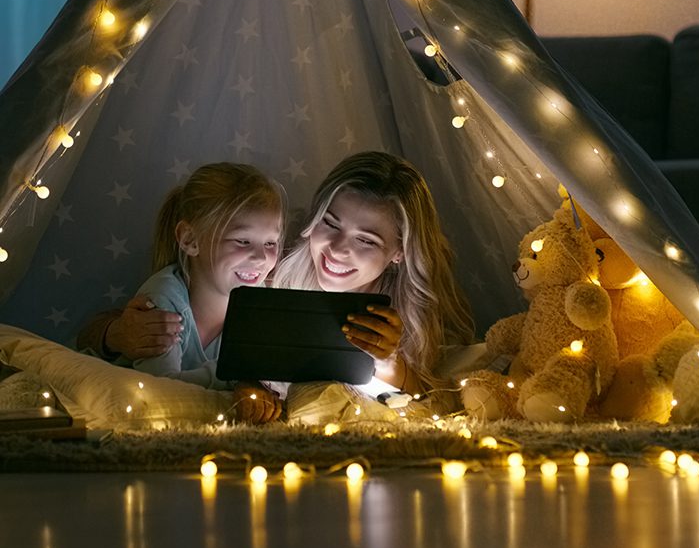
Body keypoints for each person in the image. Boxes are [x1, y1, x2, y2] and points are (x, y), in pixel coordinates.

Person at [81, 162, 287, 423]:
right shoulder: (163, 301)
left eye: (270, 243)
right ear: (190, 240)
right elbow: (162, 388)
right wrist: (235, 377)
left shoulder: (262, 304)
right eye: (242, 241)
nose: (260, 257)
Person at [272, 151, 475, 396]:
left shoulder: (411, 315)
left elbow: (423, 404)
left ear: (399, 252)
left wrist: (388, 361)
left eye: (365, 241)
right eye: (331, 223)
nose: (337, 249)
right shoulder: (272, 274)